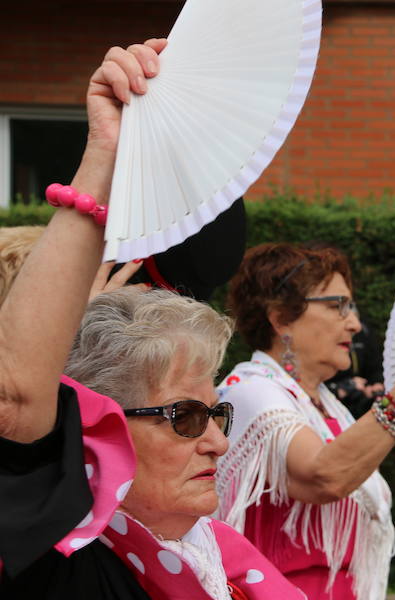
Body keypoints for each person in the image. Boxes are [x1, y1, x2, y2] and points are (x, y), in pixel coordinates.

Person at [0, 40, 305, 599]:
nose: (218, 442)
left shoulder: (218, 559)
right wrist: (106, 154)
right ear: (92, 434)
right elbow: (16, 400)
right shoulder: (57, 557)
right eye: (186, 416)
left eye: (217, 415)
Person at [216, 242, 395, 599]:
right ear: (280, 317)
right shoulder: (249, 390)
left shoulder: (328, 407)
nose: (355, 324)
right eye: (338, 307)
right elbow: (326, 477)